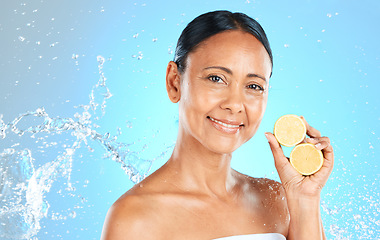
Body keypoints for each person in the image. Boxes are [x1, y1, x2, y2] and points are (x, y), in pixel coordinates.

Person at [101, 10, 334, 240]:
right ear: (174, 82)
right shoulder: (134, 218)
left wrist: (305, 201)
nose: (235, 104)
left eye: (253, 86)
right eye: (216, 79)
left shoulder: (278, 199)